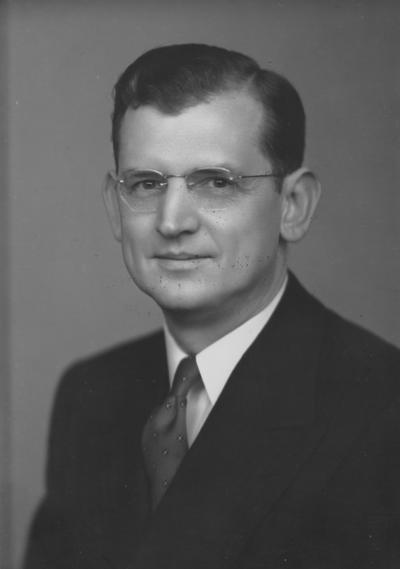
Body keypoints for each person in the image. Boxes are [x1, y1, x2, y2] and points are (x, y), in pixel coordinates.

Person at [24, 44, 400, 569]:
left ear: (293, 206)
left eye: (216, 182)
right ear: (115, 207)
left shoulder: (382, 408)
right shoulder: (91, 396)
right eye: (147, 184)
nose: (173, 221)